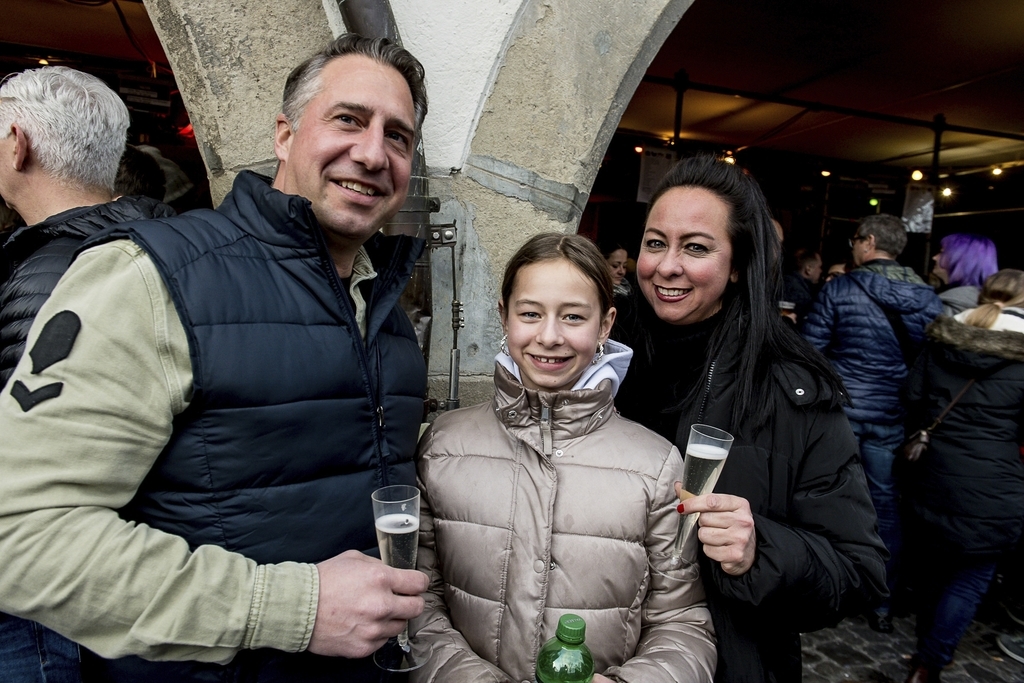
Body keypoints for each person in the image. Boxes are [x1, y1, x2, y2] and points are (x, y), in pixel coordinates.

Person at [0, 35, 431, 682]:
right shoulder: (151, 276)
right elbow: (22, 540)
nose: (372, 153)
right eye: (348, 119)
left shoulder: (386, 316)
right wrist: (297, 606)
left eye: (398, 137)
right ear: (285, 135)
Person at [612, 154, 887, 683]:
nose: (667, 265)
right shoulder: (598, 361)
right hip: (593, 649)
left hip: (725, 663)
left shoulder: (791, 391)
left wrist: (761, 548)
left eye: (695, 247)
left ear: (737, 264)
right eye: (655, 242)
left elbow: (859, 571)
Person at [412, 233, 717, 683]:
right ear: (504, 315)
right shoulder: (443, 445)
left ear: (605, 324)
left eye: (573, 317)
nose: (549, 336)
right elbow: (419, 601)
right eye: (530, 314)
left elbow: (682, 622)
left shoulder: (656, 466)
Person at [0, 65, 177, 682]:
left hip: (48, 600)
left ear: (17, 144)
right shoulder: (160, 240)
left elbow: (33, 458)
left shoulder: (58, 270)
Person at [803, 214, 942, 634]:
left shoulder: (841, 287)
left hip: (840, 415)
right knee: (884, 507)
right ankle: (881, 604)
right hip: (891, 417)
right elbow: (929, 364)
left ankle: (825, 591)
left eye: (855, 241)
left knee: (825, 501)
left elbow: (812, 351)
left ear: (867, 243)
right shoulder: (928, 299)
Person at [900, 269, 1024, 683]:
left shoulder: (942, 340)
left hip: (934, 475)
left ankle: (924, 652)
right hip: (994, 485)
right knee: (970, 579)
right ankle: (929, 663)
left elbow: (913, 398)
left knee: (934, 572)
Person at [930, 233, 998, 316]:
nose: (934, 257)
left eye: (942, 253)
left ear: (962, 260)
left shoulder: (952, 306)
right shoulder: (979, 299)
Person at [781, 248, 821, 322]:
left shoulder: (786, 282)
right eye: (820, 267)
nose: (821, 271)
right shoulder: (798, 292)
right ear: (808, 269)